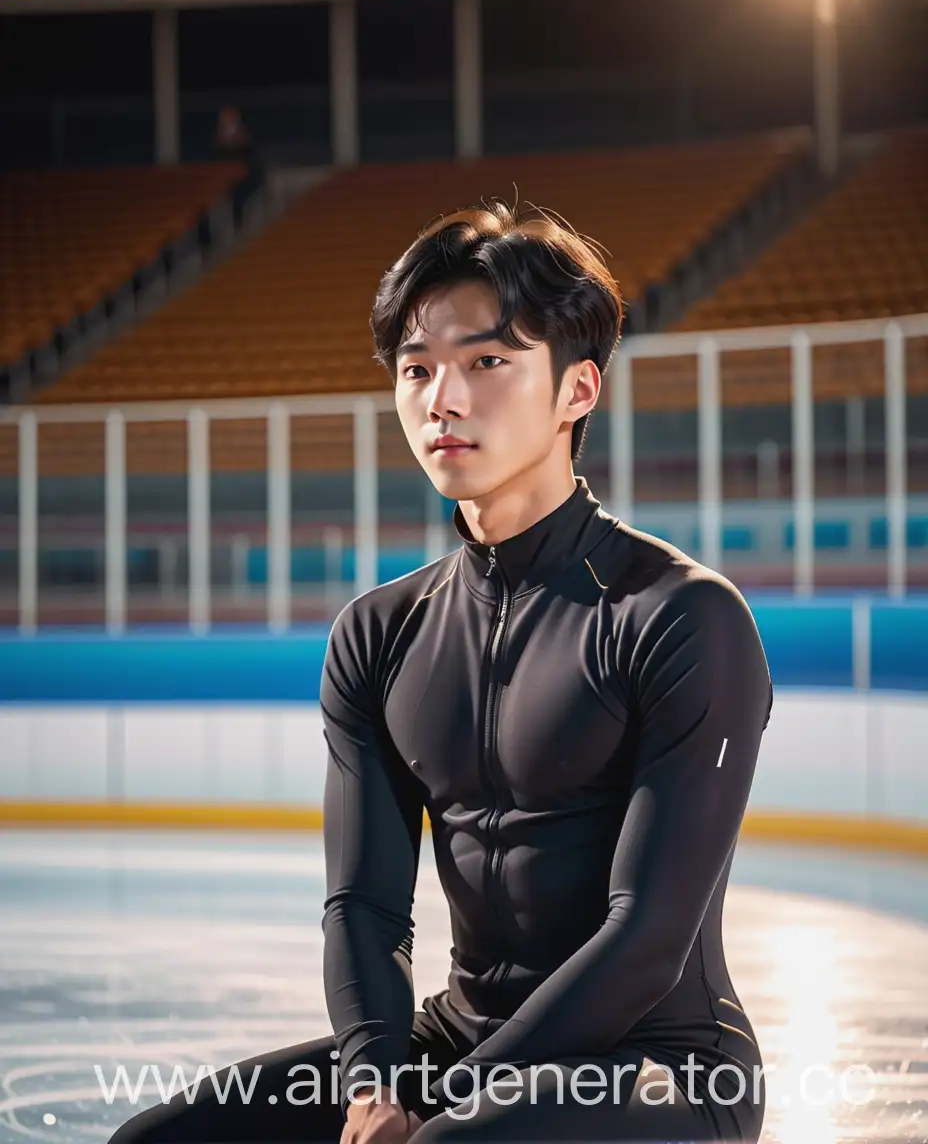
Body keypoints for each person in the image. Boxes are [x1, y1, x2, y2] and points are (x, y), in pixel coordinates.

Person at [108, 200, 773, 1144]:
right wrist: (381, 1084)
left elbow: (648, 937)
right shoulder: (381, 633)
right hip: (457, 1044)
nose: (441, 399)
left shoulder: (678, 615)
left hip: (657, 1065)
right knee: (158, 1141)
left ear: (578, 391)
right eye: (417, 369)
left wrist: (445, 1108)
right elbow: (366, 902)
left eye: (487, 363)